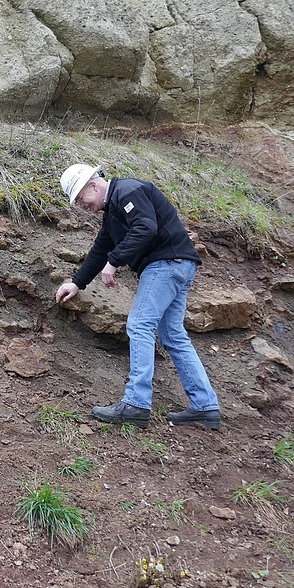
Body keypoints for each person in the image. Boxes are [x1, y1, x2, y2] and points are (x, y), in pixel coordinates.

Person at [54, 163, 221, 430]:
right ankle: (205, 406)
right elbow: (101, 248)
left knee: (139, 324)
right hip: (178, 264)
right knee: (173, 335)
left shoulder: (127, 190)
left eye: (80, 198)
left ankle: (136, 403)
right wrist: (77, 283)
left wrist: (115, 262)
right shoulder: (114, 212)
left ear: (94, 185)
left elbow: (146, 227)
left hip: (166, 264)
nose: (81, 205)